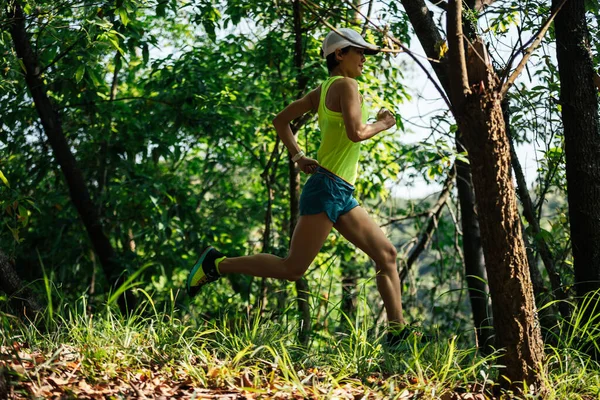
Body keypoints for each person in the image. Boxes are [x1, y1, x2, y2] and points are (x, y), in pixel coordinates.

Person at [187, 28, 414, 344]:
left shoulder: (322, 91)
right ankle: (217, 264)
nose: (364, 58)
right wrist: (384, 124)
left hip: (340, 191)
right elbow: (356, 133)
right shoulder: (347, 85)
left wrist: (298, 156)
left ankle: (397, 332)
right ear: (339, 54)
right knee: (293, 268)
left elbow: (281, 121)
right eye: (359, 51)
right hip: (326, 188)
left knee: (386, 255)